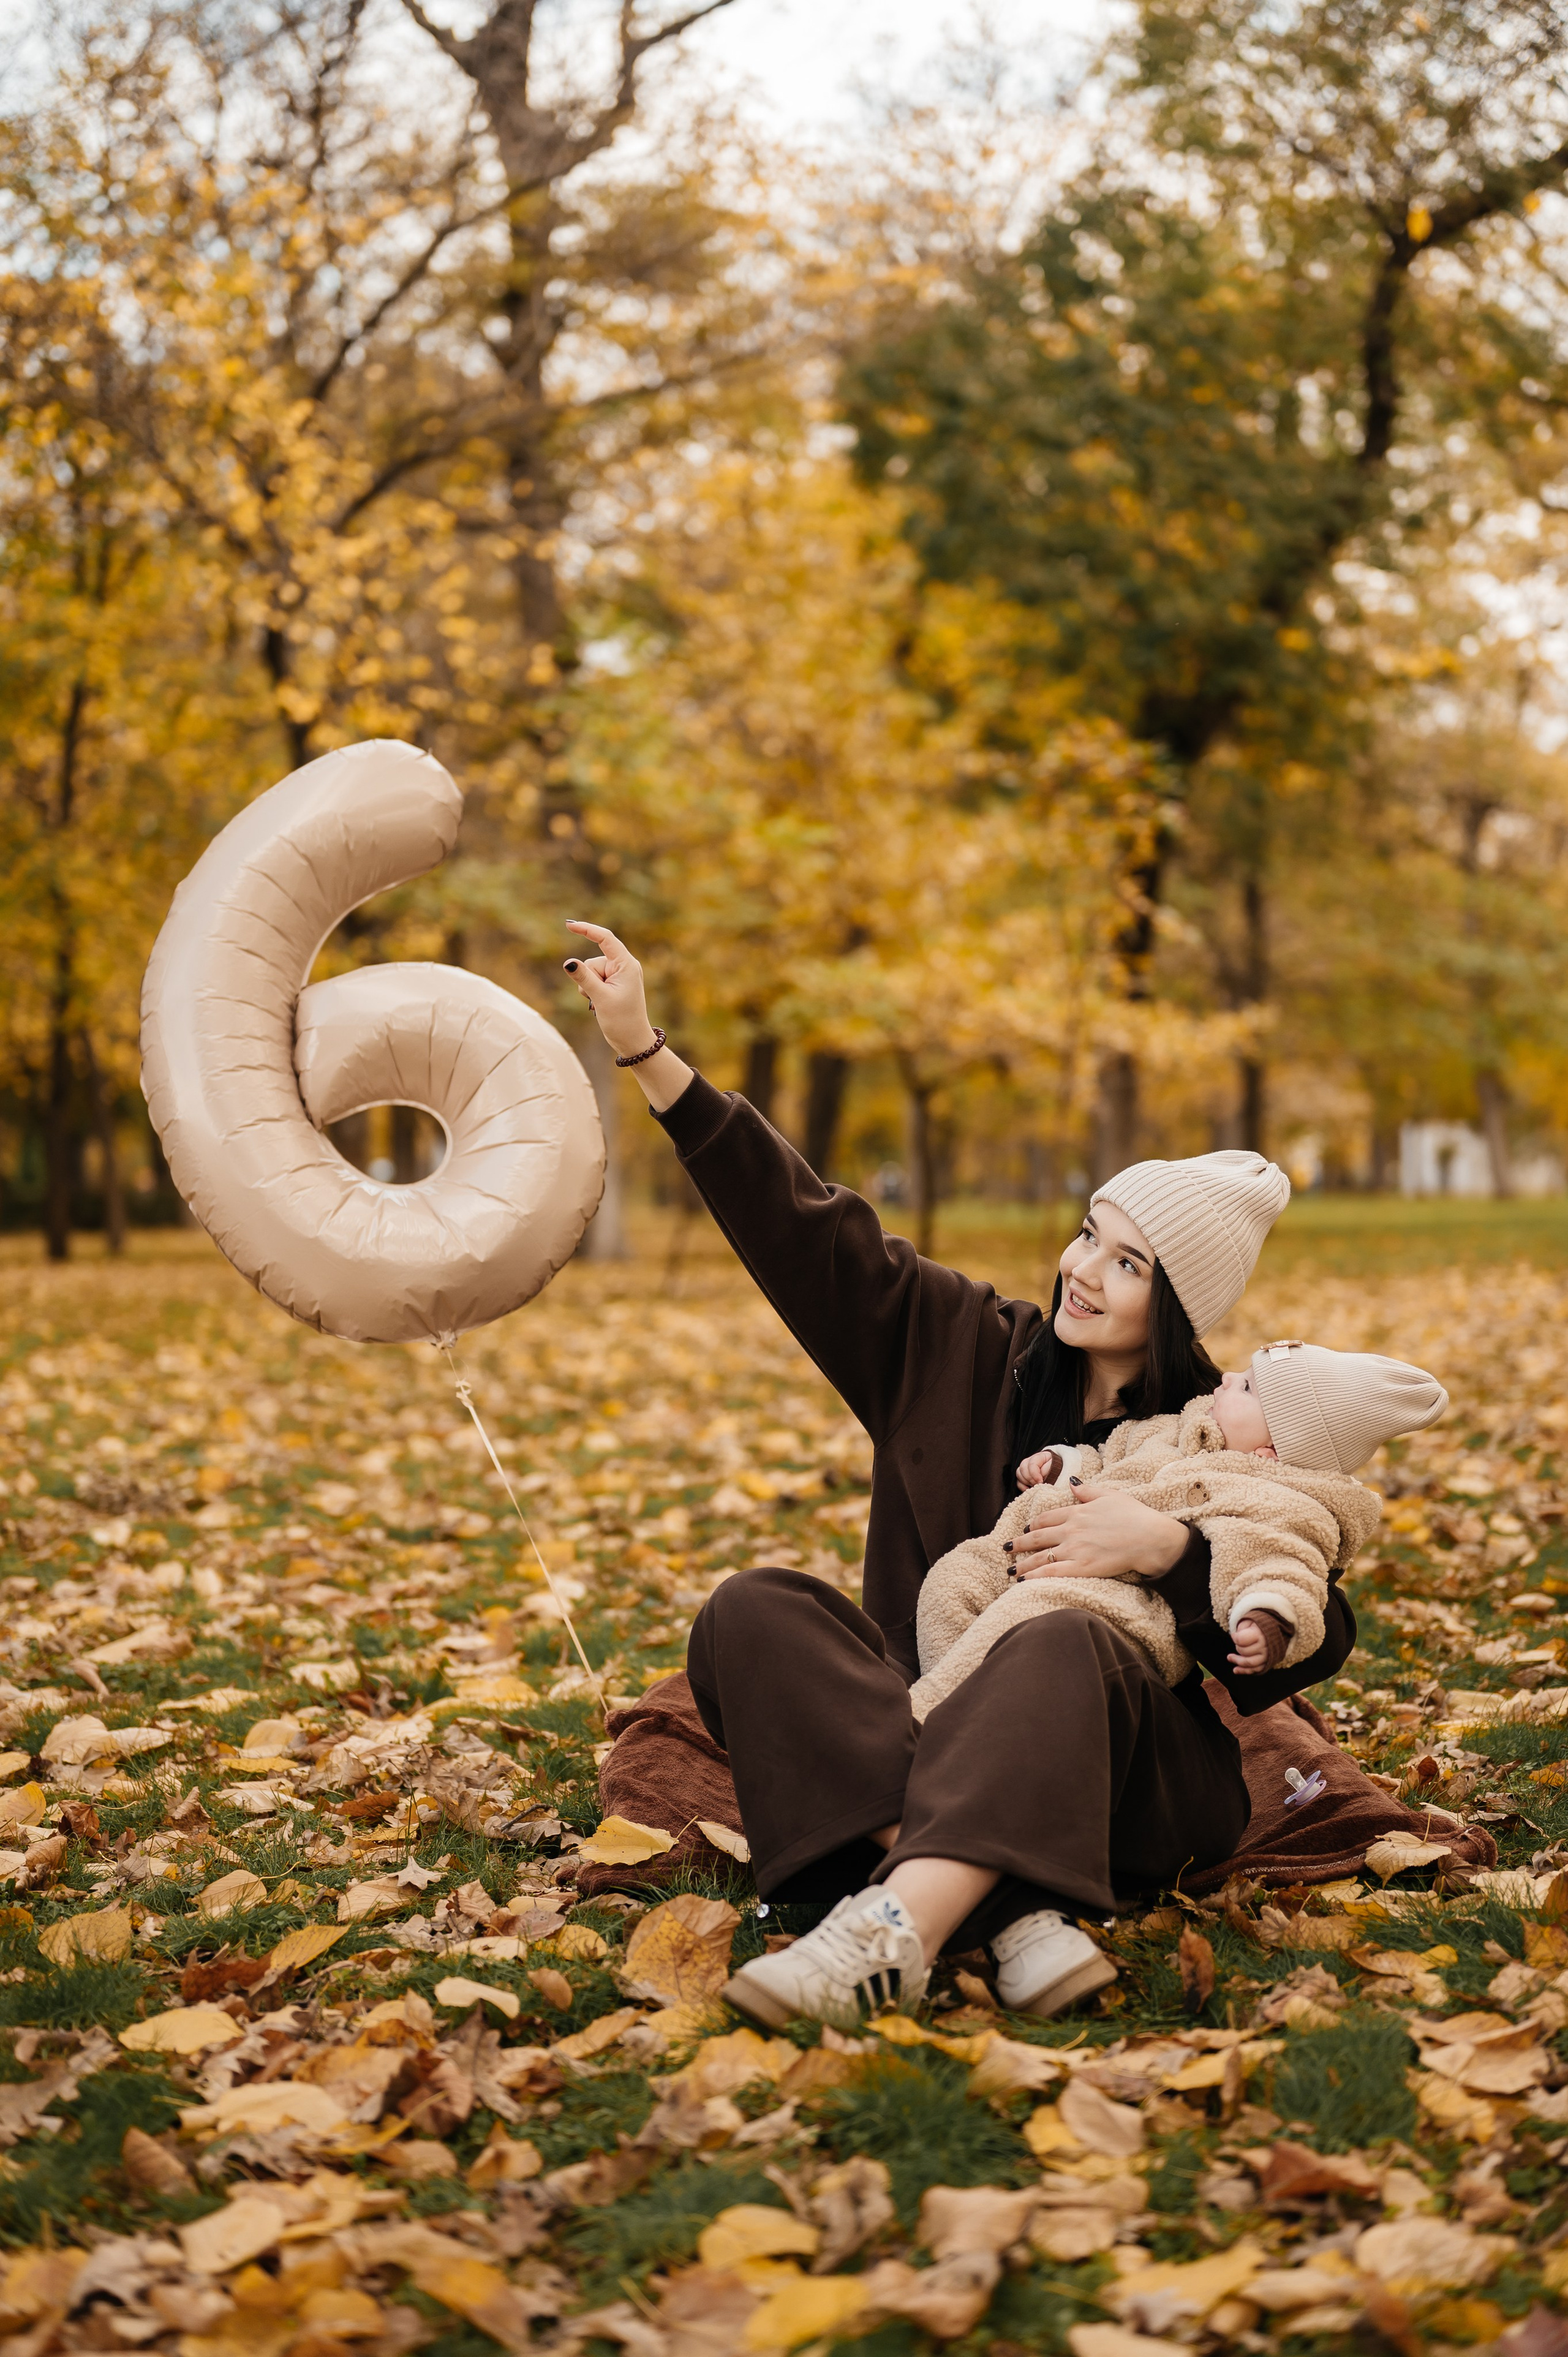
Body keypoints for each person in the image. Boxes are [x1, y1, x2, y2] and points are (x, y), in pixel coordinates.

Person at [562, 922, 1356, 2030]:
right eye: (1090, 1234)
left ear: (1176, 1303)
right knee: (752, 1610)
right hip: (921, 1727)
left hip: (1125, 1782)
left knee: (1059, 1634)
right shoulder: (963, 1343)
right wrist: (647, 1049)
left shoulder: (1217, 1430)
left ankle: (886, 1932)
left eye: (1129, 1263)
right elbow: (809, 1232)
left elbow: (1309, 1609)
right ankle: (1014, 1913)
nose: (1084, 1269)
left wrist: (1167, 1552)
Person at [912, 1343, 1449, 1722]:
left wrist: (1267, 1614)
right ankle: (964, 1731)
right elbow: (1115, 1450)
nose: (1226, 1382)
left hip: (1117, 1605)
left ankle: (922, 1723)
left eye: (1246, 1388)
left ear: (1273, 1449)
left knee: (1032, 1618)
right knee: (951, 1582)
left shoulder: (1268, 1496)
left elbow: (1280, 1561)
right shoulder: (1182, 1428)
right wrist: (1064, 1461)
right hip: (1026, 1556)